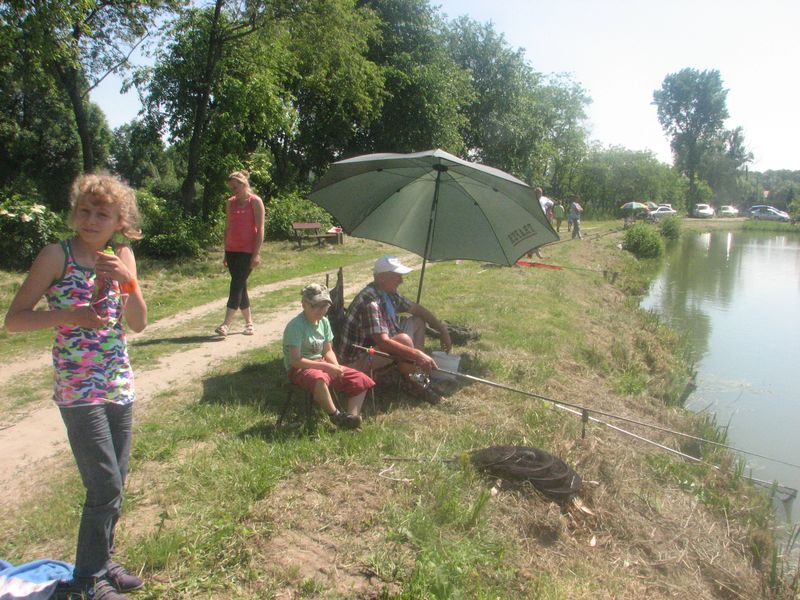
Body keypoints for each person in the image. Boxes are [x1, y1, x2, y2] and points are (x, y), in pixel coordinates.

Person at [4, 173, 148, 600]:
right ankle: (86, 581)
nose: (90, 219)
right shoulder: (56, 256)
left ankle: (103, 562)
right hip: (78, 387)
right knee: (104, 484)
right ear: (73, 214)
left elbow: (138, 323)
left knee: (116, 481)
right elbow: (14, 320)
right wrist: (73, 316)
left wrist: (128, 279)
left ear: (119, 220)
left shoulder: (123, 255)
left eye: (101, 213)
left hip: (118, 383)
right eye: (84, 211)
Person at [338, 256, 452, 405]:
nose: (401, 280)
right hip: (356, 361)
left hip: (373, 348)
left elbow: (417, 309)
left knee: (417, 322)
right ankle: (418, 384)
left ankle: (416, 376)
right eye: (397, 276)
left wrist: (442, 330)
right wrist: (418, 355)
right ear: (382, 278)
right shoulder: (370, 302)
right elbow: (384, 343)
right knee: (403, 340)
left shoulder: (387, 293)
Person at [283, 284, 374, 429]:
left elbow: (328, 350)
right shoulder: (296, 326)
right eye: (316, 306)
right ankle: (336, 416)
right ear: (304, 304)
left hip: (320, 362)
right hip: (299, 368)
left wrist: (336, 366)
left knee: (361, 380)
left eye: (325, 305)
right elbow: (295, 360)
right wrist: (326, 366)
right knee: (319, 379)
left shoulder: (324, 322)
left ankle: (351, 419)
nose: (321, 310)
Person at [215, 170, 265, 337]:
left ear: (244, 185)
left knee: (236, 284)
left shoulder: (255, 202)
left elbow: (260, 229)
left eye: (235, 187)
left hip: (247, 251)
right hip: (231, 250)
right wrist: (225, 252)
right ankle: (249, 323)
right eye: (231, 188)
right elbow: (228, 227)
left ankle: (225, 324)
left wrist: (257, 253)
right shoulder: (230, 203)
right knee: (240, 285)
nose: (233, 191)